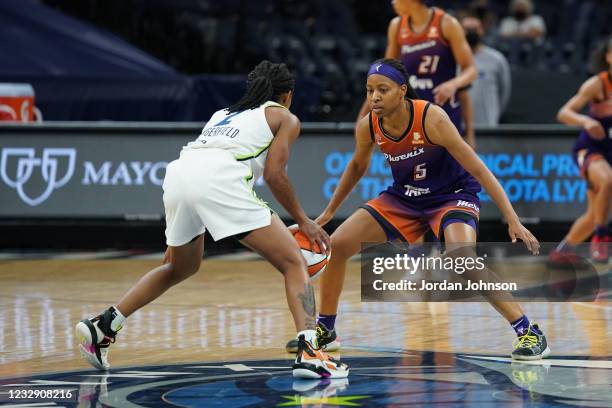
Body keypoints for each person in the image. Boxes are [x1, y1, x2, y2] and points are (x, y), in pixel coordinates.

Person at [74, 60, 349, 379]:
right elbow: (275, 174)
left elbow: (201, 171)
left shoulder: (221, 114)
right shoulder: (285, 116)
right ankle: (310, 353)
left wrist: (175, 242)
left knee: (178, 267)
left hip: (178, 173)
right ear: (287, 95)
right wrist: (304, 221)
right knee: (293, 263)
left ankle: (104, 325)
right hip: (220, 178)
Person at [289, 58, 550, 360]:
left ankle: (528, 331)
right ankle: (326, 328)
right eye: (369, 90)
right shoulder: (369, 126)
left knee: (461, 257)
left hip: (452, 195)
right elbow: (357, 166)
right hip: (405, 199)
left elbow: (479, 169)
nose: (374, 97)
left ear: (402, 91)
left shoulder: (431, 118)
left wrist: (512, 219)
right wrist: (328, 214)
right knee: (338, 244)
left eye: (382, 90)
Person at [357, 0, 478, 148]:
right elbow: (384, 74)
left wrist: (453, 84)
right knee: (414, 169)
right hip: (411, 115)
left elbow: (470, 69)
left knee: (447, 168)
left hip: (444, 112)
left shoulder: (446, 24)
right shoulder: (397, 26)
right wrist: (363, 115)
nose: (393, 2)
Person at [549, 37, 612, 264]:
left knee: (594, 213)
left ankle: (562, 252)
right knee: (607, 180)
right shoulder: (598, 84)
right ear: (608, 57)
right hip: (591, 148)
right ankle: (602, 237)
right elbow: (564, 112)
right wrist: (586, 121)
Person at [462, 15, 511, 126]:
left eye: (475, 29)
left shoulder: (497, 59)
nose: (471, 33)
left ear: (482, 30)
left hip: (487, 124)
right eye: (467, 30)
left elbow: (504, 92)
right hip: (458, 126)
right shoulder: (451, 58)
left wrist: (494, 114)